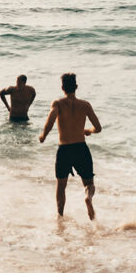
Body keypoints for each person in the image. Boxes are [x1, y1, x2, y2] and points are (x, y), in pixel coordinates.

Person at [39, 73, 101, 220]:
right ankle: (88, 197)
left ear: (62, 88)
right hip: (81, 148)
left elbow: (51, 120)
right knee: (89, 183)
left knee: (61, 186)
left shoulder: (58, 104)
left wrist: (44, 135)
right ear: (76, 87)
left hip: (64, 150)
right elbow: (98, 127)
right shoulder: (85, 105)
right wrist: (88, 131)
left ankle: (60, 216)